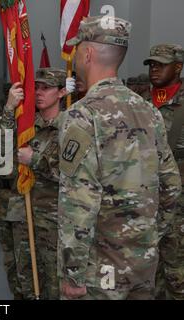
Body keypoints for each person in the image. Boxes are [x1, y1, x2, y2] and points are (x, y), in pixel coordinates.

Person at [58, 16, 181, 300]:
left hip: (98, 270)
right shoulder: (149, 111)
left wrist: (73, 272)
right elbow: (172, 185)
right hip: (142, 263)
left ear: (87, 54)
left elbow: (78, 202)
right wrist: (147, 237)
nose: (75, 55)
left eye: (77, 49)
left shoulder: (81, 115)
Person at [0, 68, 68, 299]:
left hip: (51, 217)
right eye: (36, 87)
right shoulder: (26, 123)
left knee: (51, 279)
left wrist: (34, 160)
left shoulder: (70, 126)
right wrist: (8, 108)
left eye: (46, 88)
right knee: (19, 273)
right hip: (17, 213)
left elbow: (73, 172)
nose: (38, 92)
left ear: (62, 92)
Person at [143, 44, 184, 300]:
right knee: (147, 280)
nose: (155, 69)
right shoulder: (138, 106)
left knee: (178, 278)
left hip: (179, 213)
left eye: (161, 64)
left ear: (178, 67)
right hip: (145, 210)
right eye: (151, 64)